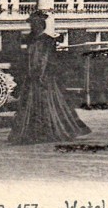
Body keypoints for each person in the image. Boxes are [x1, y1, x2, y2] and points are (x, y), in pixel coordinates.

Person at [8, 9, 90, 145]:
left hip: (44, 77)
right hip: (32, 77)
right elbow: (30, 59)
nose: (32, 27)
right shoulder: (32, 40)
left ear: (40, 25)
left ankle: (48, 131)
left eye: (34, 24)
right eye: (31, 24)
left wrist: (40, 74)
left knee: (49, 103)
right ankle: (34, 132)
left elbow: (45, 59)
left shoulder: (46, 40)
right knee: (32, 104)